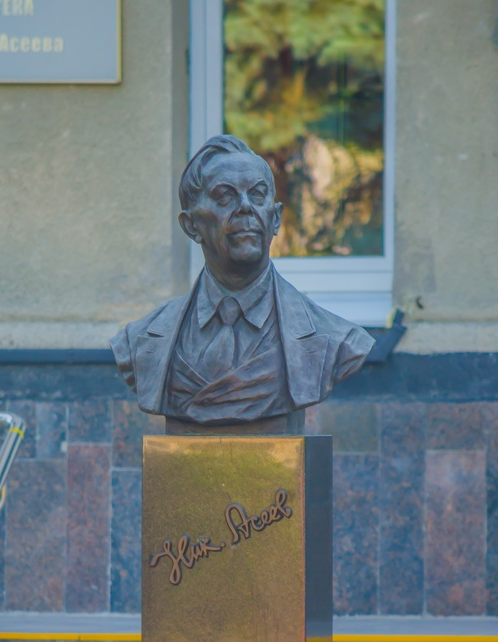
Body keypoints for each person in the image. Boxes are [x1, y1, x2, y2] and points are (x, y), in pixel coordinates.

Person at [110, 135, 373, 431]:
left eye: (257, 195)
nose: (245, 207)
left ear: (275, 219)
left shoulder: (333, 339)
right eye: (225, 197)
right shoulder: (141, 340)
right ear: (191, 225)